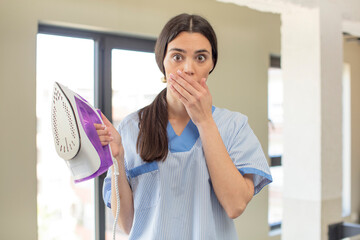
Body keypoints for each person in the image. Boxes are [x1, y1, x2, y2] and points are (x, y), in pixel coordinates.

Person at [96, 13, 272, 240]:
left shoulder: (234, 127)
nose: (188, 68)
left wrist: (204, 121)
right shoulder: (132, 127)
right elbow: (128, 224)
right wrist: (117, 160)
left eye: (200, 58)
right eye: (177, 57)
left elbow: (235, 205)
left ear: (211, 65)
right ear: (163, 62)